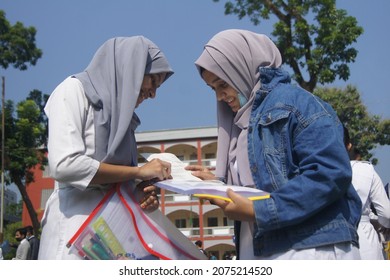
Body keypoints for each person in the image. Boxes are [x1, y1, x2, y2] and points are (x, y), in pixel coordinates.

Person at [188, 29, 362, 260]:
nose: (221, 96)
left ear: (241, 68)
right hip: (262, 248)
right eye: (214, 89)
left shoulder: (297, 103)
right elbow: (258, 187)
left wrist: (260, 210)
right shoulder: (240, 128)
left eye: (223, 84)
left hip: (310, 249)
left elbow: (329, 172)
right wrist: (217, 186)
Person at [38, 36, 173, 259]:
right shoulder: (73, 91)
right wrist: (138, 172)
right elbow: (65, 165)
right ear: (130, 69)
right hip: (72, 232)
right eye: (153, 81)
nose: (153, 94)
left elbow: (116, 178)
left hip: (109, 238)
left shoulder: (123, 120)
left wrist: (138, 192)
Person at [343, 126, 390, 259]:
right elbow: (386, 214)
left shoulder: (314, 171)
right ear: (349, 145)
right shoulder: (366, 170)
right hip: (364, 240)